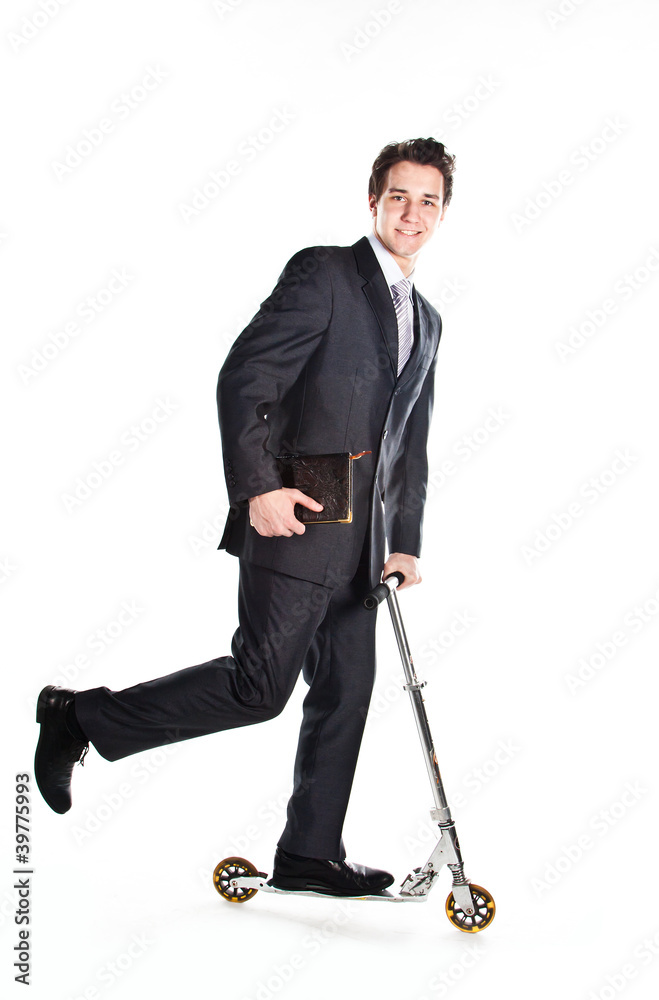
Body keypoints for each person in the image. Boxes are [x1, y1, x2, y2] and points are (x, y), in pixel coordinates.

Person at [34, 137, 455, 897]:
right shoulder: (325, 272)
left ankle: (308, 854)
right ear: (373, 200)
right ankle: (81, 719)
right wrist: (257, 487)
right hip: (294, 518)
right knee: (259, 688)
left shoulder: (426, 321)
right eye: (399, 195)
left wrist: (405, 541)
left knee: (345, 695)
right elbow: (246, 375)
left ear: (443, 213)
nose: (411, 213)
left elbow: (409, 445)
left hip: (363, 548)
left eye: (428, 200)